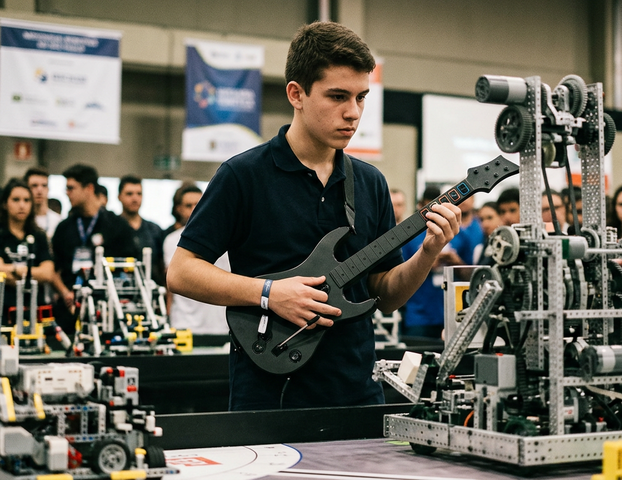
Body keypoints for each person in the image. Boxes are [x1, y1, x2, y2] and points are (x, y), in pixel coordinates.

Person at [166, 21, 461, 411]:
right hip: (267, 394)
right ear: (296, 94)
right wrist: (269, 294)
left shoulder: (370, 183)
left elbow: (385, 296)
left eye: (361, 98)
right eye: (337, 96)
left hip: (355, 392)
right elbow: (182, 271)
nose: (352, 113)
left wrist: (427, 253)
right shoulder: (243, 175)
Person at [50, 164, 137, 333]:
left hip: (106, 312)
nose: (67, 193)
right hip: (70, 309)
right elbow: (54, 268)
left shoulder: (117, 226)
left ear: (89, 188)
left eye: (71, 188)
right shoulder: (64, 227)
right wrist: (65, 292)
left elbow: (129, 268)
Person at [162, 184, 230, 334]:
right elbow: (171, 286)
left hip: (220, 325)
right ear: (179, 208)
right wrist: (168, 317)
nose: (194, 209)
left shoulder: (226, 239)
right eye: (188, 205)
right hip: (185, 324)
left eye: (198, 204)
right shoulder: (171, 241)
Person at [402, 187, 467, 339]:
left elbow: (470, 274)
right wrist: (426, 260)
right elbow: (399, 273)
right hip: (419, 315)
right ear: (420, 206)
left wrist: (456, 262)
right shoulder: (410, 236)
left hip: (452, 314)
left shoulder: (458, 233)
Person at [0, 178, 55, 324]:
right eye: (16, 200)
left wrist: (13, 270)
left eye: (26, 200)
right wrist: (32, 275)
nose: (22, 205)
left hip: (35, 310)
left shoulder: (39, 235)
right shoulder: (1, 236)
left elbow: (48, 273)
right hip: (5, 310)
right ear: (5, 203)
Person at [118, 175, 165, 285]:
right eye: (129, 194)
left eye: (139, 194)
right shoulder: (111, 228)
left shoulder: (155, 230)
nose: (135, 198)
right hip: (119, 291)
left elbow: (161, 265)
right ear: (119, 196)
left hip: (151, 291)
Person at [24, 166, 61, 239]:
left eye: (44, 185)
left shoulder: (58, 221)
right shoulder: (22, 220)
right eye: (34, 185)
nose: (39, 190)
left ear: (48, 189)